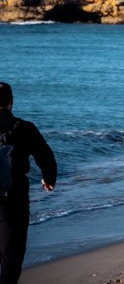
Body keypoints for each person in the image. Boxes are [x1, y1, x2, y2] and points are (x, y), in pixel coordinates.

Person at [0, 82, 56, 284]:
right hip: (13, 200)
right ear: (11, 102)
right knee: (11, 258)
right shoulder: (24, 128)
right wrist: (49, 179)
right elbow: (46, 156)